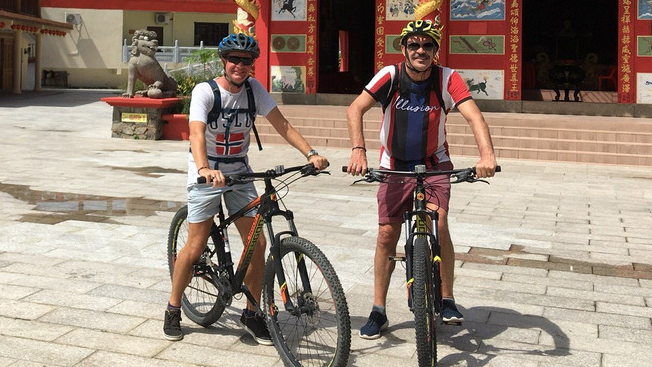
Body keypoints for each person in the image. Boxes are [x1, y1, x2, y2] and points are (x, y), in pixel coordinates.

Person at [164, 33, 329, 342]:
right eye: (234, 60)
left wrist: (310, 153)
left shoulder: (254, 90)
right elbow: (196, 134)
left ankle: (252, 313)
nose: (240, 66)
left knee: (258, 244)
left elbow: (283, 125)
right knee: (196, 246)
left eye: (247, 61)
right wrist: (204, 169)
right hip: (206, 171)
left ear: (253, 65)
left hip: (240, 171)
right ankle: (173, 307)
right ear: (224, 61)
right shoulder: (206, 91)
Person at [344, 19, 496, 339]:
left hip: (434, 162)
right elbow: (355, 108)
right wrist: (359, 150)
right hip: (394, 165)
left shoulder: (447, 78)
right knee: (387, 234)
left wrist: (487, 157)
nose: (421, 51)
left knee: (439, 223)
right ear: (404, 49)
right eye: (414, 45)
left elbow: (474, 116)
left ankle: (447, 297)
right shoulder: (391, 75)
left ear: (436, 51)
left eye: (428, 45)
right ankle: (378, 309)